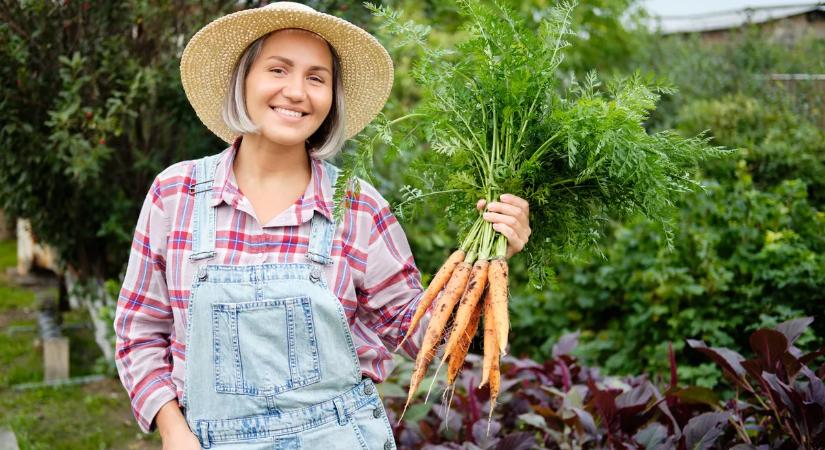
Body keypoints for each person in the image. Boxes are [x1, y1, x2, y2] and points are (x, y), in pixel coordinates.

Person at [114, 3, 531, 449]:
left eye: (317, 78)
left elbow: (418, 335)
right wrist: (173, 430)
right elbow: (139, 331)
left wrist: (491, 260)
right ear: (244, 80)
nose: (296, 92)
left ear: (331, 99)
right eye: (278, 70)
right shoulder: (176, 195)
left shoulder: (358, 206)